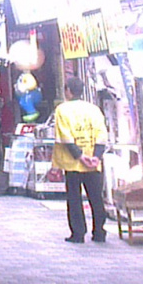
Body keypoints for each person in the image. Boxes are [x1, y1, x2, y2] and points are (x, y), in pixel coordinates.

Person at [51, 77, 110, 243]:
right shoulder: (93, 109)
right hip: (93, 162)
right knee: (96, 197)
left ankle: (78, 233)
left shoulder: (62, 110)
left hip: (72, 163)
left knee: (74, 198)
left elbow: (65, 136)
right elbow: (101, 134)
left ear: (68, 90)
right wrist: (95, 157)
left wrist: (80, 156)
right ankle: (99, 231)